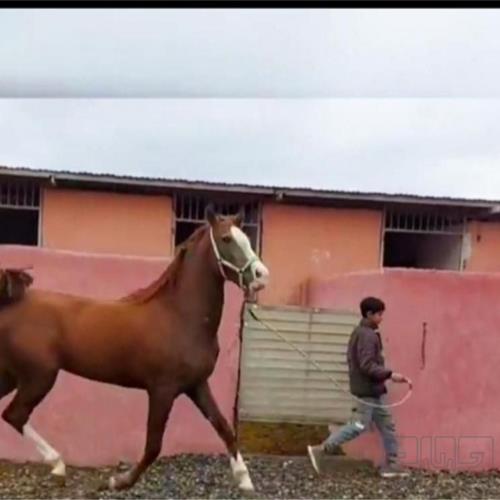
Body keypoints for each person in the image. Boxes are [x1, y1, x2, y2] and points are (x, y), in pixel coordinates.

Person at [307, 296, 410, 478]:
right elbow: (367, 365)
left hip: (375, 391)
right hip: (368, 391)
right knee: (358, 425)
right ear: (369, 314)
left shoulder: (364, 332)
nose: (381, 317)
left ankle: (392, 465)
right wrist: (390, 375)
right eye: (379, 314)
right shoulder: (366, 335)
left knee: (387, 426)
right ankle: (323, 449)